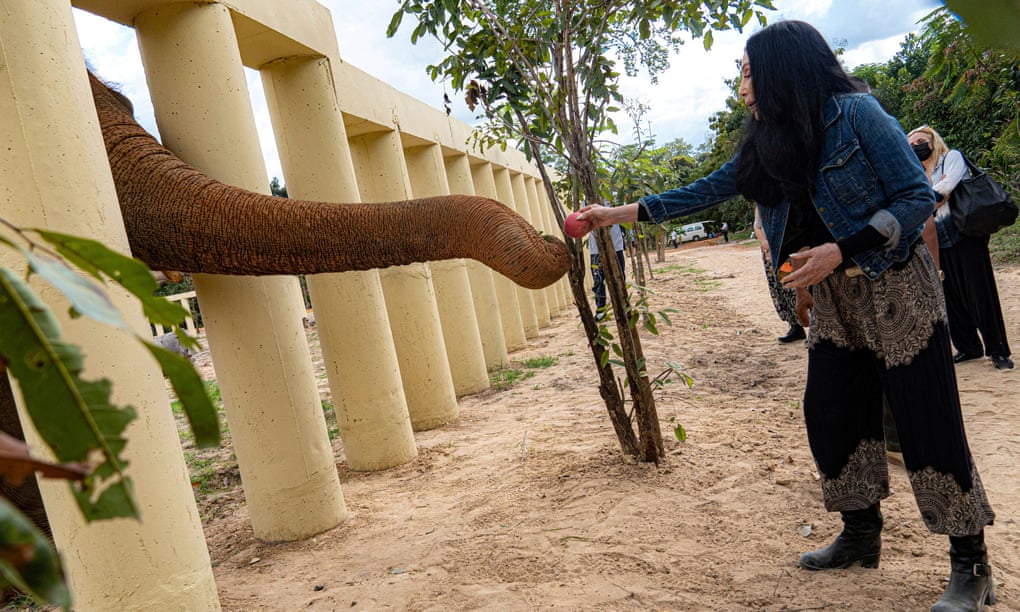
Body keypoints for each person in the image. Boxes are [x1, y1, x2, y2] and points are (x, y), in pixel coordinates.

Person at [577, 21, 996, 611]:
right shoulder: (768, 139)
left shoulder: (857, 114)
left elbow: (914, 197)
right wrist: (612, 215)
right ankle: (860, 534)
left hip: (896, 286)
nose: (741, 83)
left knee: (927, 423)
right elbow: (710, 189)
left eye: (748, 70)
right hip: (833, 301)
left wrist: (840, 248)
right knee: (831, 415)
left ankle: (970, 563)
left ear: (783, 66)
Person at [908, 125, 1014, 372]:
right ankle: (968, 347)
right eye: (910, 144)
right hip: (936, 240)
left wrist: (925, 199)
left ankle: (998, 350)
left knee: (980, 294)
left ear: (933, 141)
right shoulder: (915, 172)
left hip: (964, 234)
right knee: (949, 296)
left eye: (920, 141)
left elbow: (945, 190)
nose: (916, 147)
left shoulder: (951, 158)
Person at [753, 207, 804, 343]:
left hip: (786, 248)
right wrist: (765, 244)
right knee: (779, 287)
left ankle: (812, 328)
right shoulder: (761, 204)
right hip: (769, 252)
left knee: (795, 285)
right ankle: (795, 326)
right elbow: (757, 227)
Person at [589, 224, 626, 318]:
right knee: (598, 280)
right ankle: (601, 310)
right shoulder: (586, 208)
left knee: (619, 278)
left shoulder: (616, 208)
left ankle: (623, 307)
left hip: (616, 246)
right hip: (596, 249)